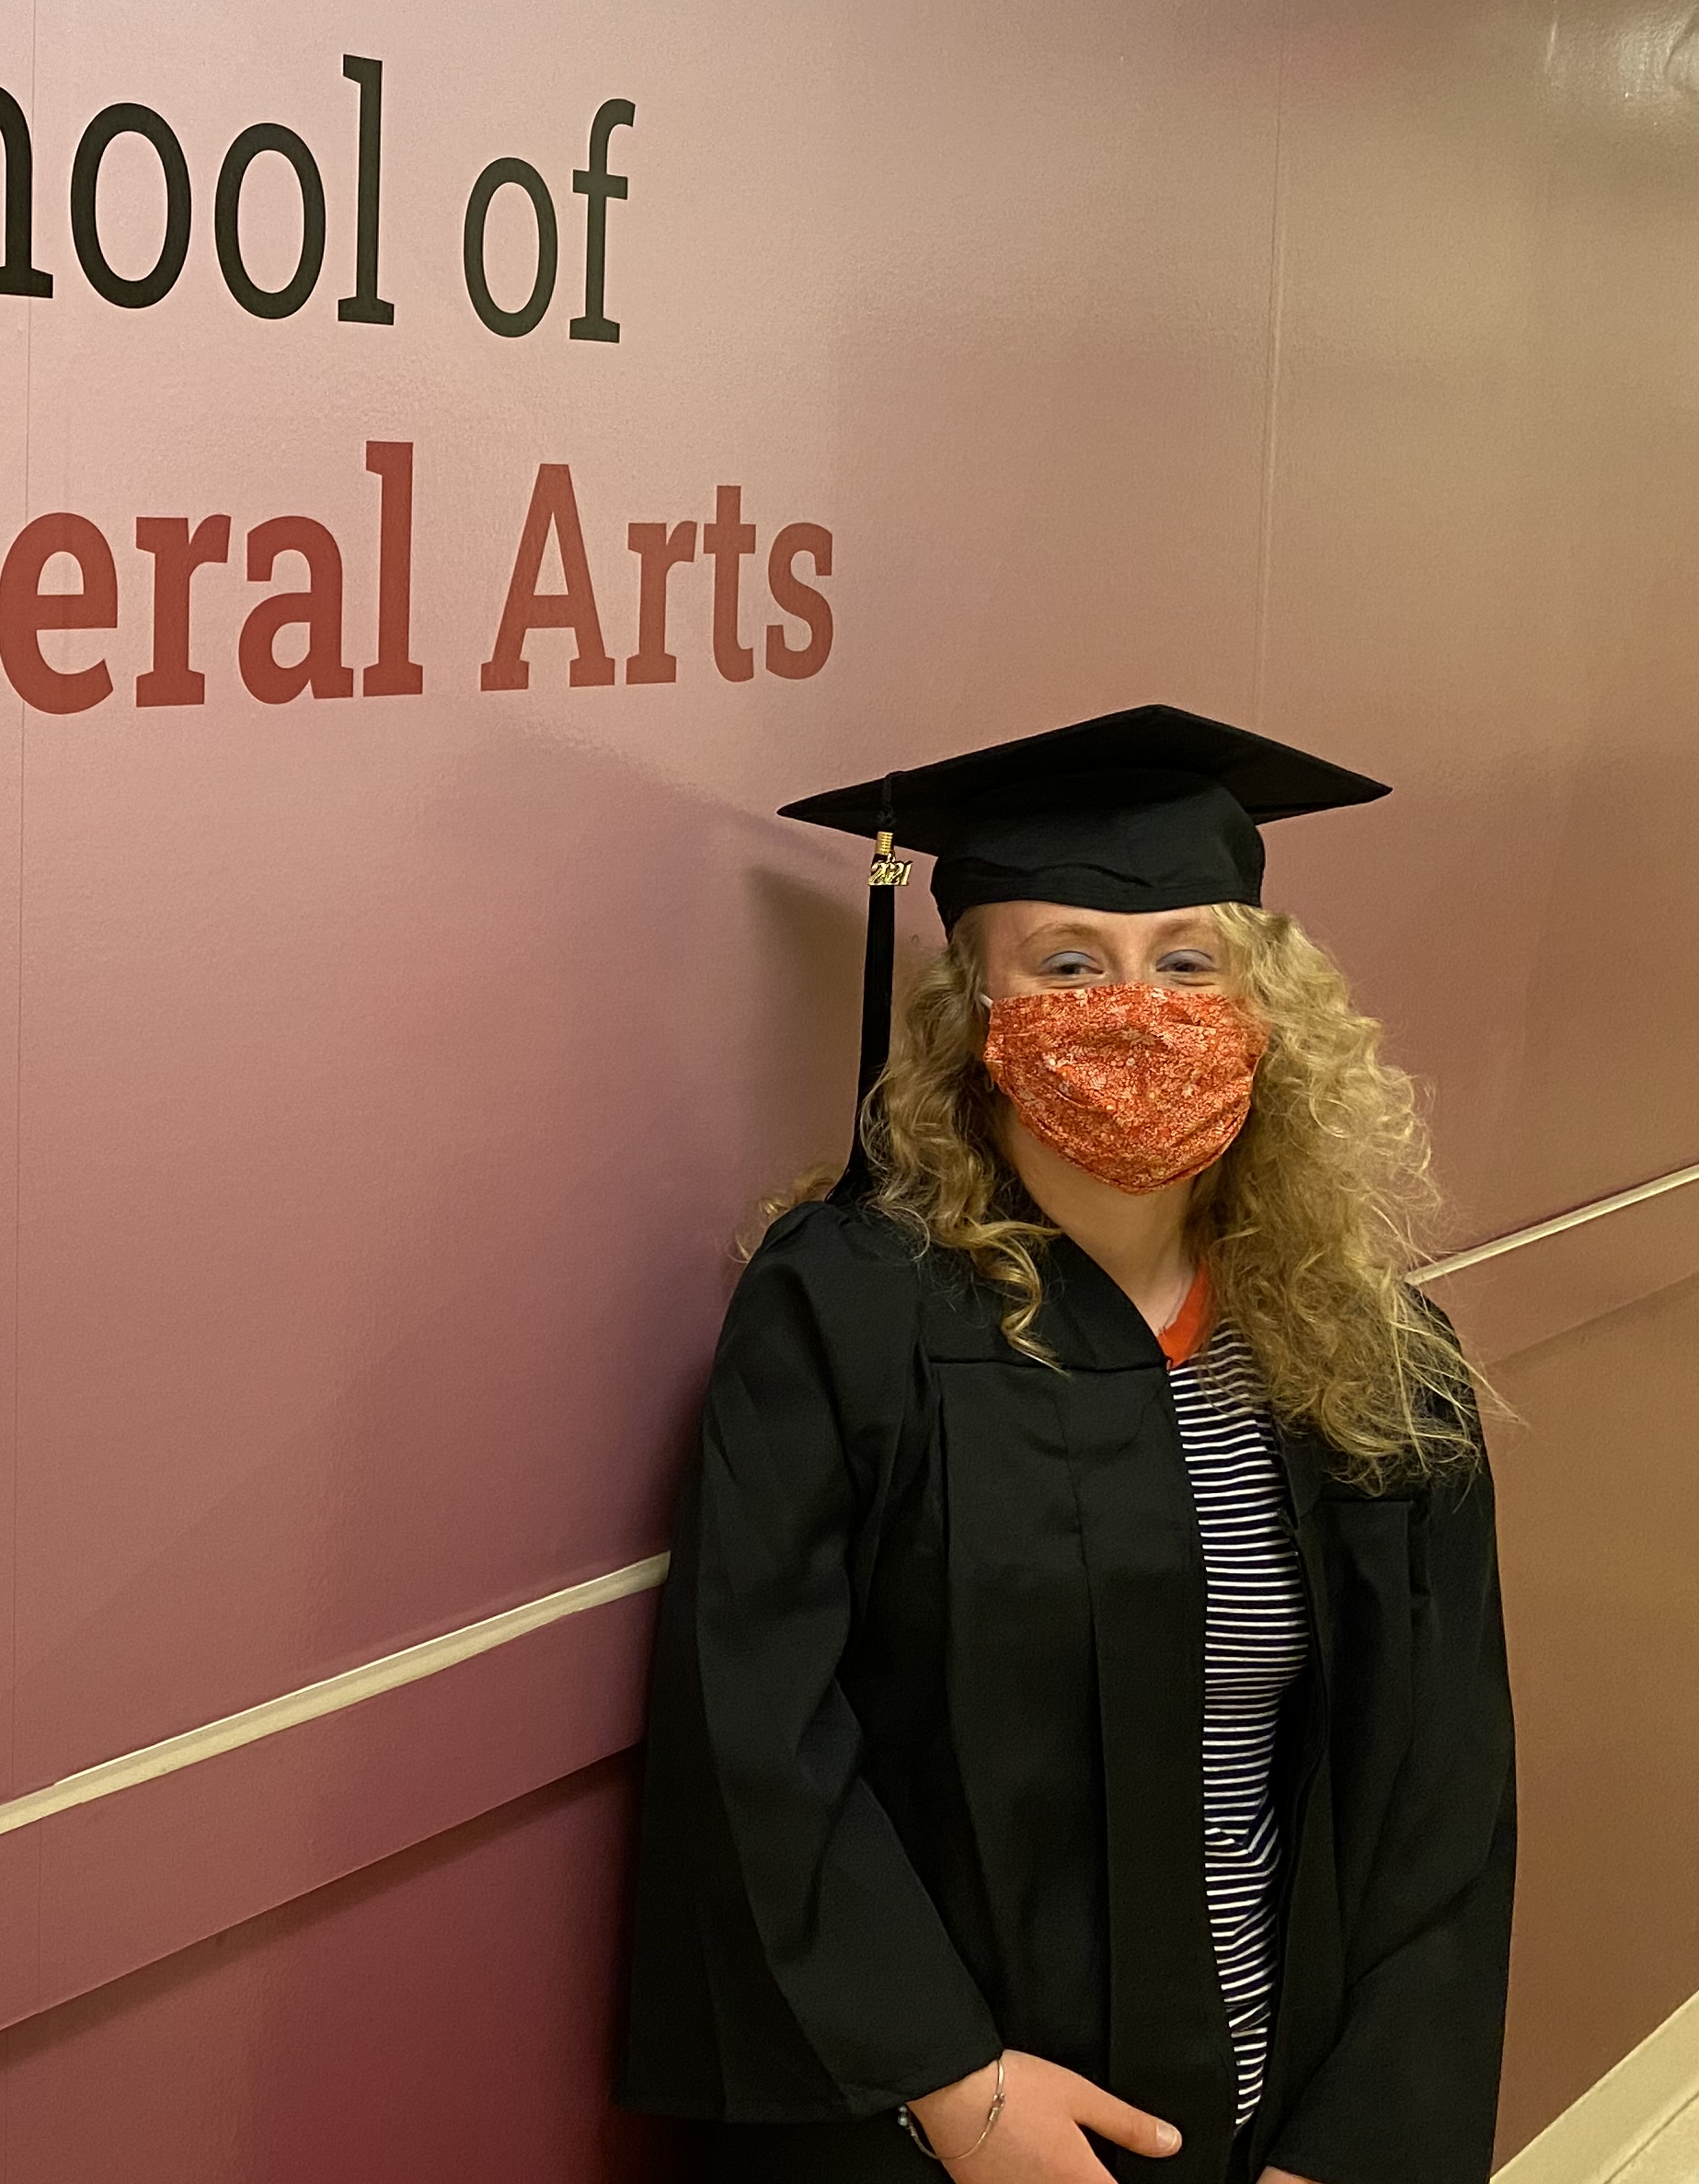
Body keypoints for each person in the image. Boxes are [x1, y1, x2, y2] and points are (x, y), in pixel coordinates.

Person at [620, 707, 1512, 2184]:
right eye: (1070, 963)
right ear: (975, 1009)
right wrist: (955, 2090)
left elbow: (1445, 1778)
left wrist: (1359, 2138)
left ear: (1262, 1009)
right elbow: (759, 1731)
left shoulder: (1374, 1348)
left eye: (1186, 962)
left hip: (1279, 2093)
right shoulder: (852, 1310)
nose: (1135, 1004)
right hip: (963, 2121)